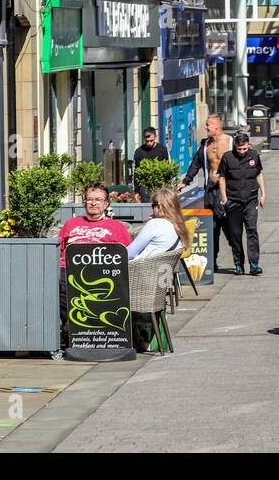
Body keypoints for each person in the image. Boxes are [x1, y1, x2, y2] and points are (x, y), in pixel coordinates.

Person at [57, 183, 132, 345]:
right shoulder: (71, 224)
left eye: (98, 200)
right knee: (54, 286)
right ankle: (75, 329)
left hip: (100, 275)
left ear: (106, 204)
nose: (93, 203)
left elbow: (126, 256)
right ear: (84, 202)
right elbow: (60, 250)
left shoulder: (117, 227)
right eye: (89, 199)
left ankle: (74, 331)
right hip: (68, 272)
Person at [180, 114, 233, 271]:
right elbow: (195, 164)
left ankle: (239, 258)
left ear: (216, 126)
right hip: (209, 191)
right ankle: (213, 261)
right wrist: (185, 181)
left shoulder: (231, 142)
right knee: (212, 228)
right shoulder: (204, 145)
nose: (206, 127)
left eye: (208, 124)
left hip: (226, 192)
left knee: (230, 228)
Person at [218, 131, 266, 275]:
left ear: (248, 145)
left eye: (244, 148)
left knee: (252, 231)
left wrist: (263, 194)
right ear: (235, 147)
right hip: (233, 201)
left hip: (251, 199)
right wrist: (225, 199)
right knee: (235, 234)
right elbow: (222, 178)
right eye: (239, 149)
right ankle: (238, 264)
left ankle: (254, 264)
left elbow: (258, 174)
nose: (242, 152)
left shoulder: (254, 155)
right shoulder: (227, 157)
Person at [128, 187, 189, 261]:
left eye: (153, 206)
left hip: (137, 269)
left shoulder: (155, 224)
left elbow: (130, 253)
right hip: (164, 269)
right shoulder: (179, 226)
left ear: (159, 207)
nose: (152, 210)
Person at [132, 127, 170, 198]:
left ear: (155, 137)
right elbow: (136, 172)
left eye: (151, 140)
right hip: (144, 187)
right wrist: (136, 191)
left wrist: (167, 187)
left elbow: (167, 169)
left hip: (160, 186)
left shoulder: (163, 150)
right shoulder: (139, 152)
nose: (149, 143)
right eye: (147, 141)